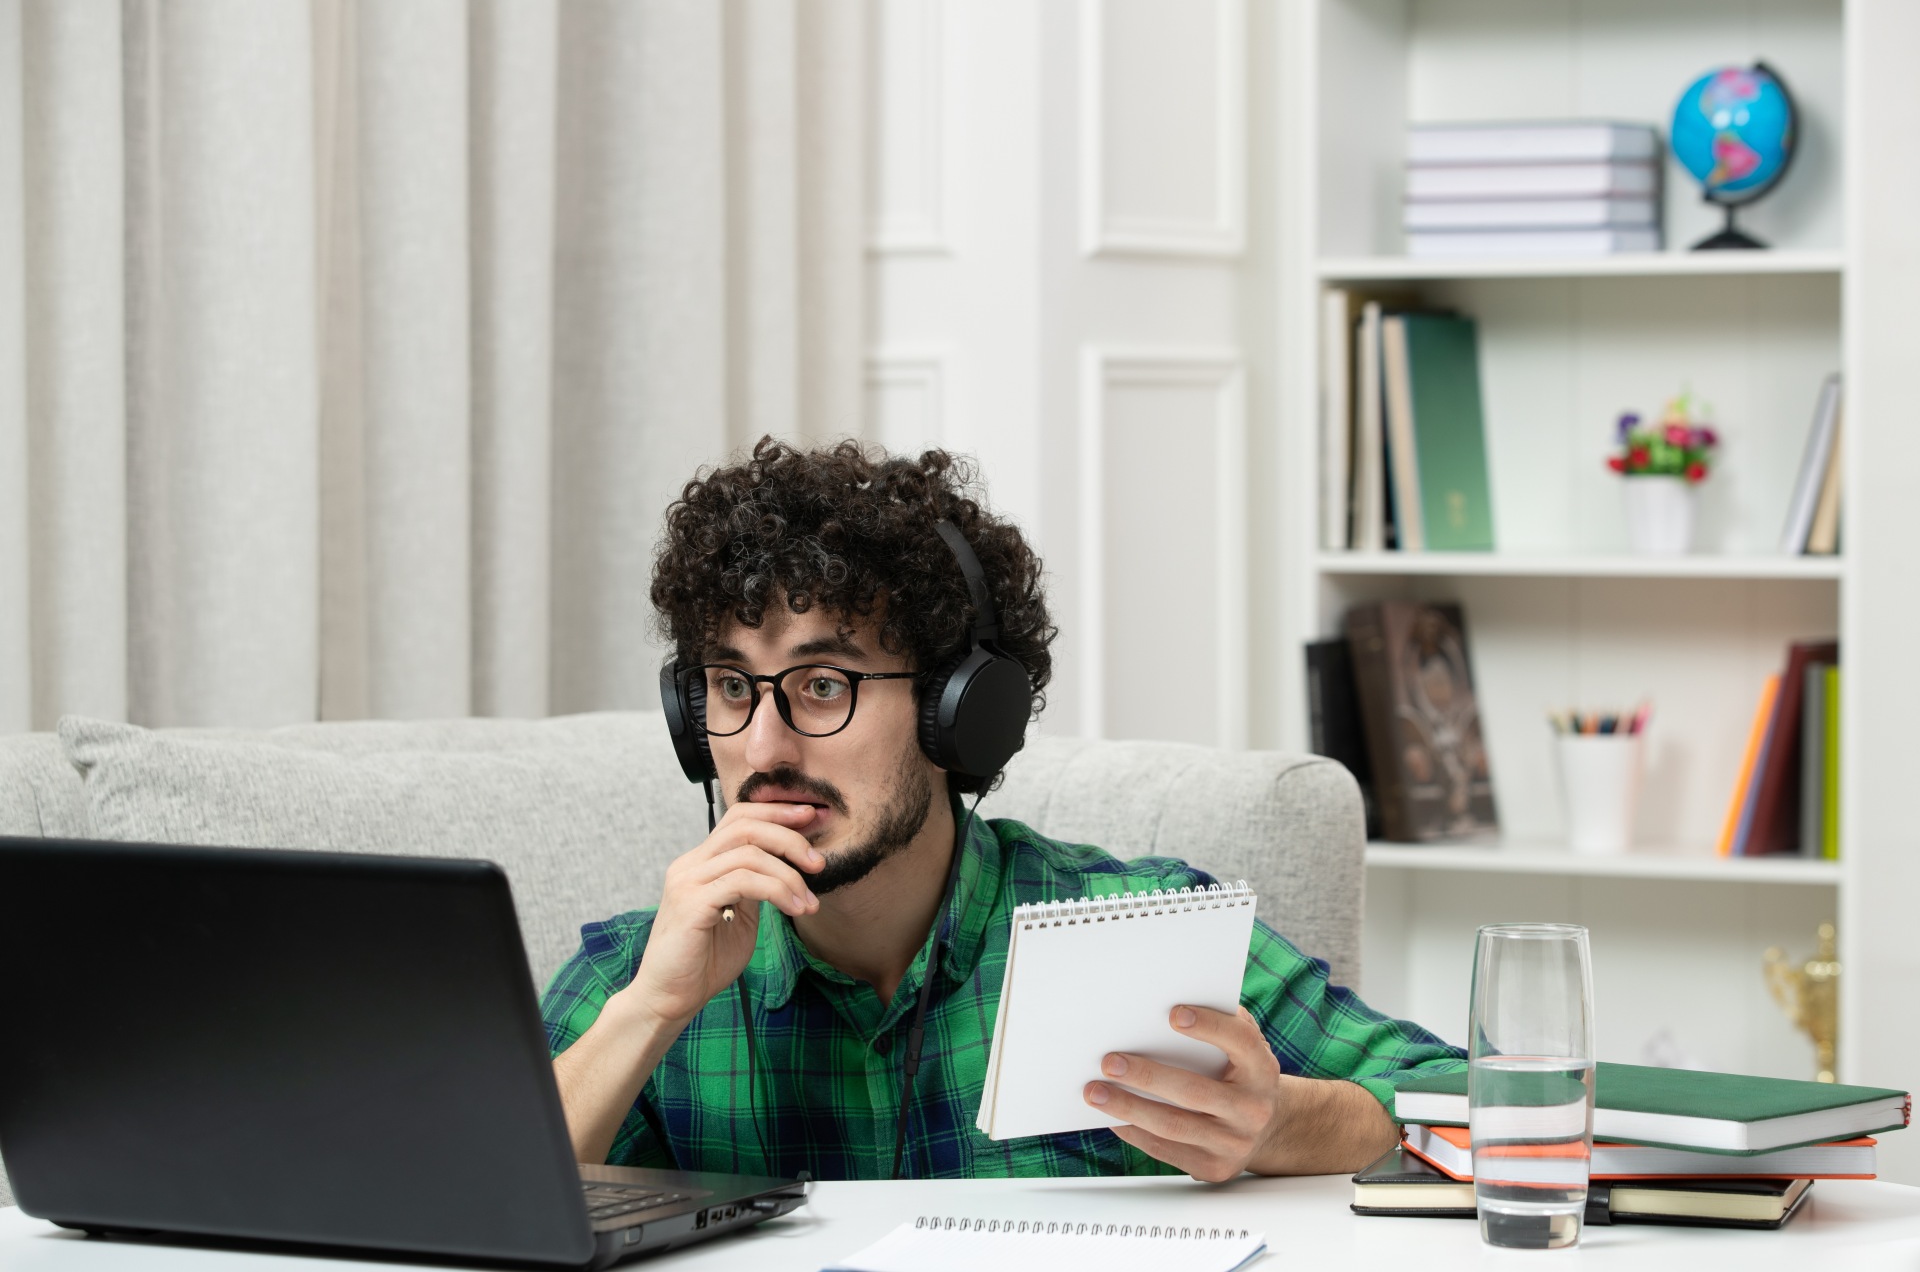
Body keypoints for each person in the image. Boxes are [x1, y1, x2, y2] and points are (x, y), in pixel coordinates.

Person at [542, 437, 1465, 1181]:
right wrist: (646, 1015)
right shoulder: (642, 969)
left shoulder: (1133, 934)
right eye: (731, 687)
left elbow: (1479, 1103)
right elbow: (453, 1197)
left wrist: (1284, 1126)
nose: (764, 747)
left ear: (961, 713)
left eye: (822, 685)